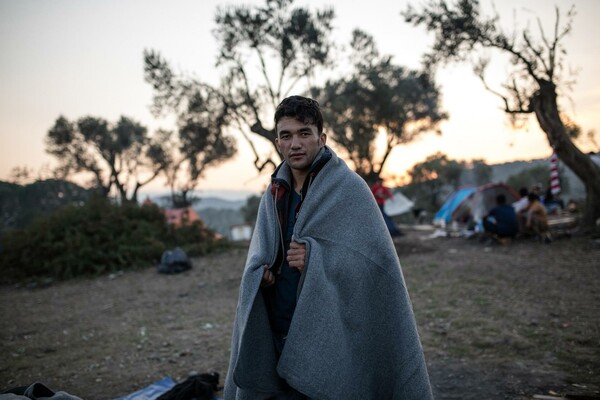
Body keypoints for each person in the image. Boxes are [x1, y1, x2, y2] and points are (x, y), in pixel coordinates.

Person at [224, 96, 432, 399]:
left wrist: (317, 259)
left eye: (304, 133)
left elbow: (374, 265)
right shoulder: (274, 194)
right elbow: (262, 254)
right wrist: (263, 273)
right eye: (286, 135)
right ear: (279, 142)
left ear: (321, 138)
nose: (295, 143)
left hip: (328, 330)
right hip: (277, 327)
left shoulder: (350, 190)